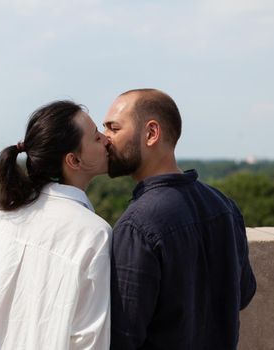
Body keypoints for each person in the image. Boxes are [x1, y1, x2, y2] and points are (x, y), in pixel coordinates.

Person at [0, 101, 112, 350]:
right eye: (97, 137)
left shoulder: (2, 218)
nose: (107, 140)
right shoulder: (93, 234)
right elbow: (89, 340)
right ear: (73, 160)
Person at [103, 89, 256, 350]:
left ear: (151, 133)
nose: (104, 140)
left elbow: (122, 336)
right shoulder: (223, 204)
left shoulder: (137, 226)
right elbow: (243, 293)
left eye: (113, 129)